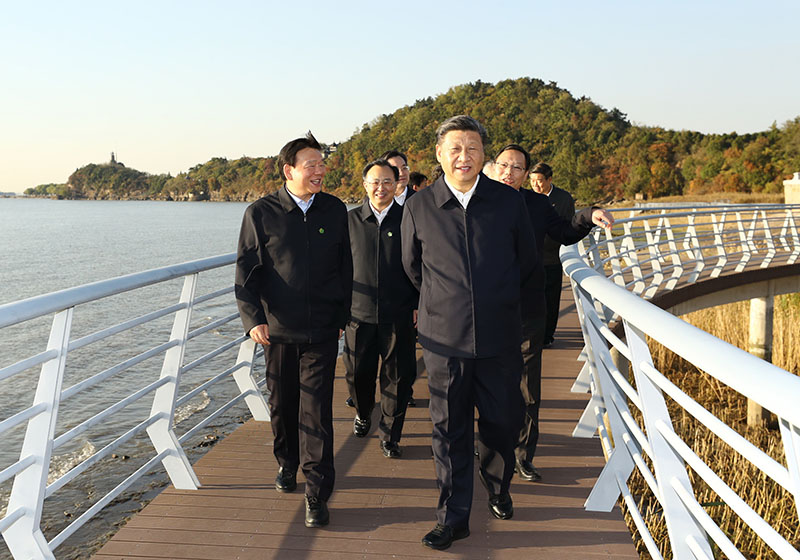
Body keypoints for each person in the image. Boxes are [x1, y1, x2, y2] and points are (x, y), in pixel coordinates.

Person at [401, 115, 538, 551]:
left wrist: (498, 300)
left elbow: (527, 261)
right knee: (448, 429)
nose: (464, 156)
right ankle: (453, 517)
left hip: (499, 337)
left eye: (473, 148)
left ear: (484, 155)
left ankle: (497, 485)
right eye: (455, 148)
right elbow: (412, 268)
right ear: (440, 154)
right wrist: (444, 302)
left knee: (501, 422)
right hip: (444, 340)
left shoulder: (507, 201)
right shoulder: (420, 206)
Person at [234, 132, 352, 529]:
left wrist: (342, 315)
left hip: (322, 329)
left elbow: (345, 267)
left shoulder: (334, 209)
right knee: (283, 405)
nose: (320, 171)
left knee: (316, 410)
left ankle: (317, 492)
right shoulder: (260, 213)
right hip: (278, 330)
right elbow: (246, 271)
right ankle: (287, 462)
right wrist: (253, 319)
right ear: (289, 170)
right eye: (311, 165)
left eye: (322, 164)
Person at [492, 145, 614, 483]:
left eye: (517, 168)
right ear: (494, 167)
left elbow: (564, 231)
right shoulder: (476, 203)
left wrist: (589, 215)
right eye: (504, 165)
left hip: (527, 307)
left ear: (526, 174)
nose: (509, 172)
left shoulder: (536, 204)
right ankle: (492, 445)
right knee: (489, 382)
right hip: (486, 309)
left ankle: (523, 455)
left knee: (528, 385)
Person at [344, 159, 418, 458]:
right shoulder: (349, 221)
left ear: (397, 184)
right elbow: (334, 268)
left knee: (398, 378)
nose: (381, 187)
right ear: (365, 185)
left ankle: (390, 434)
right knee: (357, 374)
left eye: (387, 181)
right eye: (375, 181)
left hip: (398, 313)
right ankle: (363, 412)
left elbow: (422, 264)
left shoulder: (409, 218)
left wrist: (417, 304)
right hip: (357, 314)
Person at [529, 162, 579, 347]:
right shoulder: (527, 198)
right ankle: (532, 335)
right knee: (531, 300)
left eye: (539, 181)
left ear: (549, 179)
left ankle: (547, 336)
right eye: (532, 181)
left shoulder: (563, 198)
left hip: (552, 257)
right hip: (530, 258)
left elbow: (568, 226)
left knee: (550, 299)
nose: (535, 185)